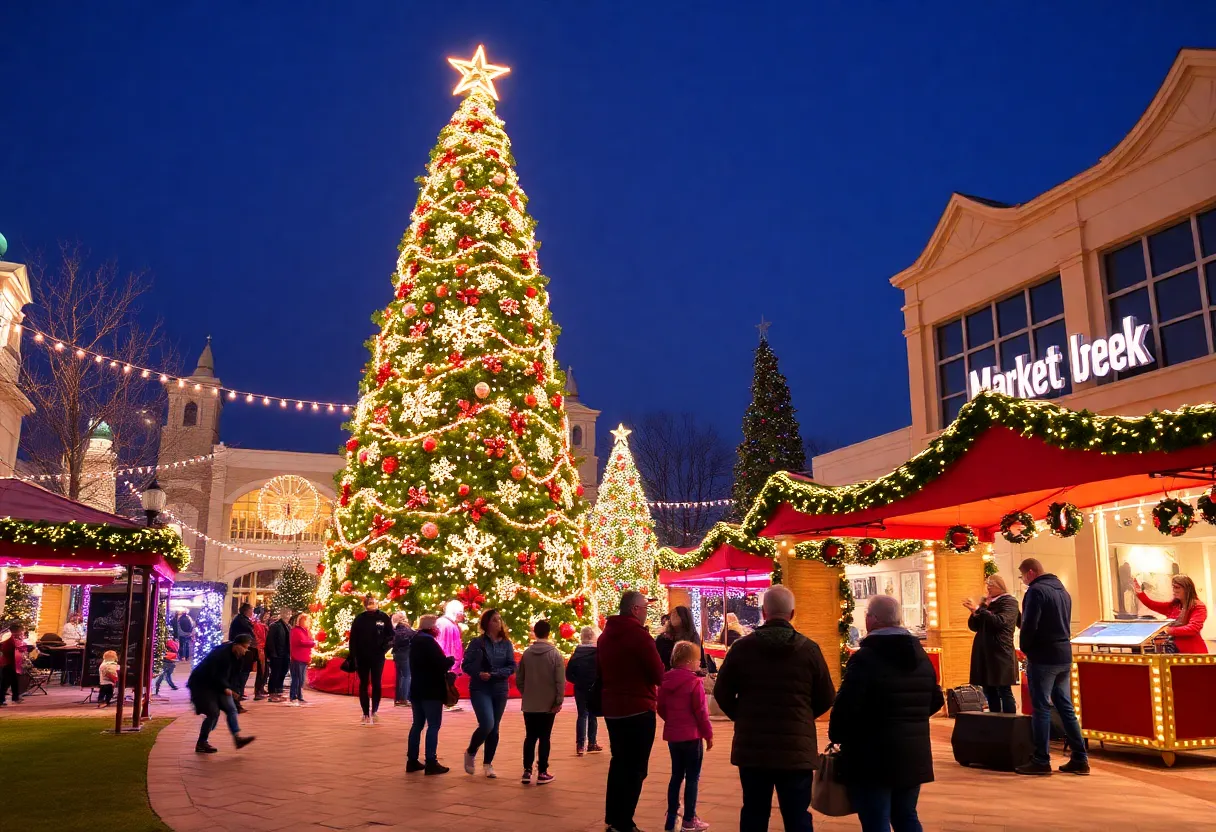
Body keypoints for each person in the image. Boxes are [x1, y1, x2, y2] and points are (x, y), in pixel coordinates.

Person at [714, 585, 835, 832]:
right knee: (797, 815)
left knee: (754, 812)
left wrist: (742, 716)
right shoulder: (809, 649)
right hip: (795, 751)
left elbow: (722, 692)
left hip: (753, 747)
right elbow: (827, 696)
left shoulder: (742, 648)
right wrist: (802, 718)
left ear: (763, 612)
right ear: (792, 614)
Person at [829, 594, 943, 832]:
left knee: (875, 820)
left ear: (872, 619)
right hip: (913, 752)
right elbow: (935, 701)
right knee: (906, 816)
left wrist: (837, 735)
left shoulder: (864, 658)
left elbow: (846, 707)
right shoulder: (920, 656)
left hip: (871, 755)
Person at [598, 590, 666, 832]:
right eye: (646, 609)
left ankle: (613, 818)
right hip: (638, 707)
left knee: (619, 763)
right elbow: (658, 674)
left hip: (612, 709)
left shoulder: (605, 635)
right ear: (635, 610)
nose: (647, 613)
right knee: (636, 768)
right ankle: (624, 822)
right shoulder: (639, 636)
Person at [1016, 558, 1088, 776]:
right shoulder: (1062, 590)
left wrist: (1025, 647)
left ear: (1030, 572)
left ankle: (1041, 760)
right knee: (1066, 707)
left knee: (1041, 708)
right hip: (1064, 654)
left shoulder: (1036, 591)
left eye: (1022, 577)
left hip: (1044, 656)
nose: (1023, 581)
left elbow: (1030, 624)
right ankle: (1080, 758)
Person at [658, 641, 714, 832]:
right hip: (692, 736)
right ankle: (690, 819)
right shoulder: (693, 683)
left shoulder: (665, 681)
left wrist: (672, 721)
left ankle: (671, 815)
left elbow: (661, 708)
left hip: (674, 736)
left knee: (676, 775)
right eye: (698, 660)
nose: (700, 663)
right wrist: (708, 735)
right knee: (692, 778)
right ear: (689, 661)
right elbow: (701, 712)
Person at [462, 608, 516, 778]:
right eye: (494, 620)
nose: (498, 622)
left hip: (499, 688)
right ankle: (471, 751)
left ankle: (488, 764)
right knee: (487, 723)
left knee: (495, 727)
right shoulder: (477, 643)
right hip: (480, 688)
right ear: (486, 623)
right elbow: (466, 664)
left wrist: (495, 674)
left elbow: (511, 666)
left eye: (499, 619)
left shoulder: (506, 644)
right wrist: (478, 673)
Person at [187, 635, 256, 754]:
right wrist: (225, 688)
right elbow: (214, 674)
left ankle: (237, 738)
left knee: (231, 709)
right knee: (213, 713)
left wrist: (233, 689)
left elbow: (234, 675)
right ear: (236, 645)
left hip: (219, 685)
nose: (245, 651)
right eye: (244, 647)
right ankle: (202, 742)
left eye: (247, 648)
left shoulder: (237, 656)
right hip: (203, 685)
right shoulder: (221, 654)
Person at [517, 619, 565, 785]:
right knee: (545, 737)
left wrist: (526, 692)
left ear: (535, 633)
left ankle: (527, 770)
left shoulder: (527, 653)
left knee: (530, 736)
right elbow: (560, 680)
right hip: (548, 703)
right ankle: (542, 771)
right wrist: (558, 699)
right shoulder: (555, 654)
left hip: (530, 703)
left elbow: (519, 678)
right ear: (548, 633)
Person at [964, 574, 1021, 713]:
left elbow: (1000, 622)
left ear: (1000, 586)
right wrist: (974, 613)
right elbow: (974, 627)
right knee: (988, 690)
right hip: (984, 653)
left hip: (1000, 652)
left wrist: (980, 610)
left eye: (991, 584)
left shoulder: (1009, 602)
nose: (988, 586)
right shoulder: (987, 603)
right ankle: (995, 722)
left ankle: (1009, 723)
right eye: (987, 584)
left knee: (1004, 690)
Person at [407, 614, 455, 775]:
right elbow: (439, 664)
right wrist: (450, 660)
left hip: (416, 689)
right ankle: (431, 761)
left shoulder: (415, 641)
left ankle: (412, 760)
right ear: (432, 628)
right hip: (431, 690)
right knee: (433, 725)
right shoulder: (428, 642)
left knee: (417, 725)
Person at [1133, 574, 1209, 654]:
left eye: (1177, 587)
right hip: (1173, 651)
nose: (1174, 590)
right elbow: (1152, 604)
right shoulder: (1173, 606)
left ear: (1187, 589)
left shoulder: (1198, 606)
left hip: (1192, 652)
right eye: (1173, 587)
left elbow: (1193, 628)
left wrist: (1167, 630)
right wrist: (1139, 593)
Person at [348, 594, 393, 725]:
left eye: (373, 602)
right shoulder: (359, 619)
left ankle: (374, 710)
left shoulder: (383, 617)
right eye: (369, 602)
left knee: (376, 683)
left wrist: (383, 648)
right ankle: (365, 713)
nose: (371, 604)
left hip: (378, 656)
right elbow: (353, 639)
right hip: (362, 656)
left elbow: (391, 636)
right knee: (363, 684)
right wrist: (353, 656)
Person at [566, 625, 602, 756]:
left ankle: (580, 745)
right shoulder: (597, 653)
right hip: (594, 687)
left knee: (582, 715)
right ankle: (592, 742)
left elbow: (569, 673)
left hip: (580, 688)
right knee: (593, 714)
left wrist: (578, 681)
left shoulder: (576, 653)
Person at [436, 599, 466, 711]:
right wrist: (447, 662)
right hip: (449, 661)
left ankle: (448, 701)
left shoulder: (449, 624)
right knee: (446, 682)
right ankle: (446, 702)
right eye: (461, 611)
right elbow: (442, 643)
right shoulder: (445, 624)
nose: (462, 614)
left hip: (452, 661)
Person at [656, 606, 705, 671]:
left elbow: (700, 659)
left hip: (689, 675)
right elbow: (657, 658)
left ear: (683, 617)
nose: (673, 617)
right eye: (672, 614)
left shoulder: (692, 636)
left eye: (676, 615)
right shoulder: (663, 637)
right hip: (667, 674)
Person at [227, 603, 256, 705]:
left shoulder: (243, 620)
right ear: (246, 611)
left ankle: (239, 692)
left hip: (242, 649)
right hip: (240, 650)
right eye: (251, 610)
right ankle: (237, 693)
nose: (253, 612)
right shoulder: (241, 621)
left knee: (243, 672)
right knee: (240, 673)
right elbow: (249, 633)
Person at [265, 607, 293, 703]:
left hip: (286, 654)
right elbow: (270, 641)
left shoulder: (288, 626)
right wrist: (272, 653)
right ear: (282, 614)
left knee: (283, 672)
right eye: (286, 613)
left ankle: (278, 691)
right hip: (277, 654)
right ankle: (272, 693)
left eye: (289, 613)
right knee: (275, 674)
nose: (288, 615)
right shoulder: (275, 626)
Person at [0, 625, 32, 706]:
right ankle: (1, 699)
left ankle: (15, 697)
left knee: (14, 681)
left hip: (13, 664)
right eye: (21, 631)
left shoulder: (15, 639)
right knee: (5, 683)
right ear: (16, 631)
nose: (22, 633)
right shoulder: (8, 639)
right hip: (8, 663)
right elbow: (5, 650)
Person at [289, 613, 315, 706]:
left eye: (307, 621)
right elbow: (301, 642)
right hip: (297, 657)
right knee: (297, 678)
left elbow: (310, 639)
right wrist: (312, 643)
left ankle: (299, 696)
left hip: (304, 657)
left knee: (301, 679)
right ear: (300, 621)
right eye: (305, 620)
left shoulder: (306, 631)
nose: (307, 622)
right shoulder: (295, 631)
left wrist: (312, 642)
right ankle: (293, 696)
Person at [391, 612, 415, 707]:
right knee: (407, 676)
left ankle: (398, 699)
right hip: (405, 653)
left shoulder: (395, 629)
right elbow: (413, 636)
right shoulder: (405, 629)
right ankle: (404, 699)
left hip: (397, 654)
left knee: (400, 676)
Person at [252, 611, 269, 700]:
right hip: (260, 649)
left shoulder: (264, 625)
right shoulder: (258, 625)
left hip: (264, 649)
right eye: (265, 615)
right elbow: (259, 638)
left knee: (265, 671)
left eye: (268, 615)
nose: (267, 617)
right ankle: (257, 691)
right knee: (261, 671)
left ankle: (260, 688)